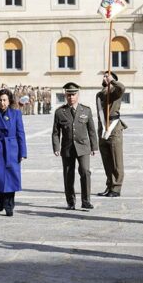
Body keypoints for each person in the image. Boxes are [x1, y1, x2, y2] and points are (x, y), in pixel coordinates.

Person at [52, 82, 98, 210]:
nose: (71, 97)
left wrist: (94, 147)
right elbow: (56, 132)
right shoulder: (60, 112)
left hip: (83, 147)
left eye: (73, 94)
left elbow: (92, 130)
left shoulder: (86, 110)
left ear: (78, 95)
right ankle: (70, 202)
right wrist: (56, 147)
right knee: (68, 175)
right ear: (65, 96)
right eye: (68, 95)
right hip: (67, 148)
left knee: (85, 172)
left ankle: (86, 201)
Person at [0, 88, 27, 216]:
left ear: (9, 101)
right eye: (0, 100)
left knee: (12, 178)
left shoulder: (16, 114)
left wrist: (23, 152)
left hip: (12, 149)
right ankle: (2, 199)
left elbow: (20, 134)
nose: (2, 103)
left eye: (5, 100)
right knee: (0, 177)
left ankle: (9, 205)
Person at [96, 72, 127, 198]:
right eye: (103, 76)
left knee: (116, 160)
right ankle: (109, 185)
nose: (104, 78)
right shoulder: (99, 94)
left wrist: (112, 82)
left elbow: (122, 88)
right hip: (103, 130)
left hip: (113, 129)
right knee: (107, 161)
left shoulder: (115, 91)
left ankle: (116, 187)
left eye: (106, 76)